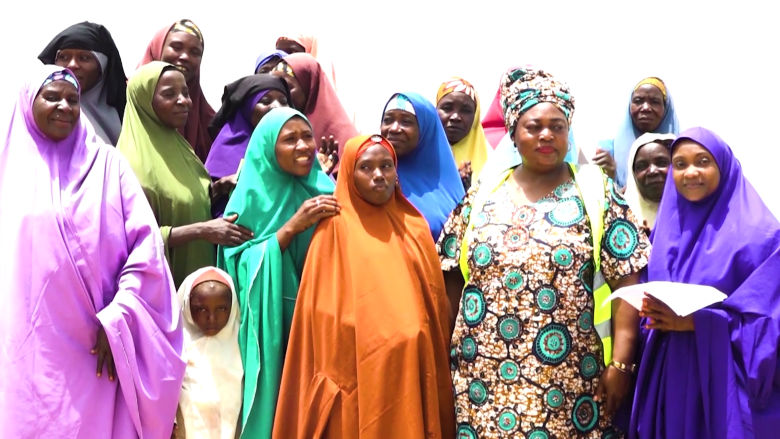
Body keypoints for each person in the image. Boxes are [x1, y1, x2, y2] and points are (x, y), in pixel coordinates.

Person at [438, 67, 651, 438]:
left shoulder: (596, 192)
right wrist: (442, 359)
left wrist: (621, 364)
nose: (547, 135)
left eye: (557, 126)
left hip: (567, 381)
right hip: (481, 381)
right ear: (513, 134)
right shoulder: (482, 195)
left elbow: (627, 282)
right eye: (534, 126)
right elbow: (453, 280)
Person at [0, 64, 184, 438]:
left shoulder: (108, 166)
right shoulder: (8, 171)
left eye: (73, 99)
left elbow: (146, 248)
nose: (65, 107)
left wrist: (122, 316)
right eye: (52, 97)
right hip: (23, 350)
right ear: (28, 103)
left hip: (95, 347)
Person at [272, 134, 455, 438]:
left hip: (410, 365)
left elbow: (433, 303)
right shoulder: (333, 229)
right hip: (354, 369)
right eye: (366, 167)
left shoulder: (414, 226)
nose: (378, 175)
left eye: (386, 166)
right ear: (349, 174)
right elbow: (321, 315)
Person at [630, 127, 780, 438]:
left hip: (725, 389)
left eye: (702, 161)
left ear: (723, 166)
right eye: (680, 164)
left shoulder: (761, 237)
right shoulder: (664, 233)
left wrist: (698, 322)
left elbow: (769, 323)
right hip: (669, 380)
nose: (690, 172)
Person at [217, 107, 337, 438]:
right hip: (270, 324)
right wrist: (291, 228)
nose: (303, 146)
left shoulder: (325, 191)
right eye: (290, 139)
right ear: (268, 147)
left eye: (307, 136)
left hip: (317, 323)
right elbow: (237, 268)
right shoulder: (248, 198)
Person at [118, 61, 253, 287]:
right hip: (162, 284)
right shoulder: (130, 163)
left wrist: (216, 189)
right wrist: (202, 230)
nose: (184, 101)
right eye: (169, 94)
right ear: (144, 101)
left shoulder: (178, 147)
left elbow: (180, 201)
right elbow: (131, 239)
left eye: (185, 93)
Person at [380, 91, 465, 240]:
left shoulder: (450, 187)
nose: (394, 128)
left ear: (426, 129)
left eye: (406, 122)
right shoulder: (374, 178)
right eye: (388, 120)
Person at [204, 74, 291, 216]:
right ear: (246, 109)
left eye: (284, 101)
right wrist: (219, 189)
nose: (277, 107)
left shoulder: (300, 146)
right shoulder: (226, 150)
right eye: (265, 101)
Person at [174, 267, 242, 439]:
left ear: (233, 307)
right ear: (187, 306)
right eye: (202, 309)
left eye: (221, 309)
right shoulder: (174, 350)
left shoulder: (243, 347)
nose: (212, 318)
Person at [38, 21, 127, 145]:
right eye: (63, 57)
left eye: (84, 58)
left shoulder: (128, 111)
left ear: (103, 66)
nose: (72, 65)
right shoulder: (42, 111)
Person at [139, 19, 215, 163]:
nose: (185, 57)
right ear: (158, 48)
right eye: (176, 47)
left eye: (194, 52)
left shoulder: (209, 122)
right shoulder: (123, 98)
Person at [272, 53, 355, 170]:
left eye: (288, 87)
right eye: (277, 88)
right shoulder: (278, 130)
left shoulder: (345, 139)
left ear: (309, 86)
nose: (282, 94)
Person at [594, 77, 679, 188]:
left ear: (666, 108)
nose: (646, 108)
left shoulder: (680, 150)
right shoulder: (608, 152)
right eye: (638, 101)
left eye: (655, 102)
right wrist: (610, 178)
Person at [436, 77, 490, 189]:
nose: (455, 117)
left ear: (475, 118)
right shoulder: (416, 158)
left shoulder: (493, 165)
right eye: (447, 108)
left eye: (466, 110)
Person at [623, 132, 675, 231]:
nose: (652, 171)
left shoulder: (693, 215)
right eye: (642, 166)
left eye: (661, 163)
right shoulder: (619, 218)